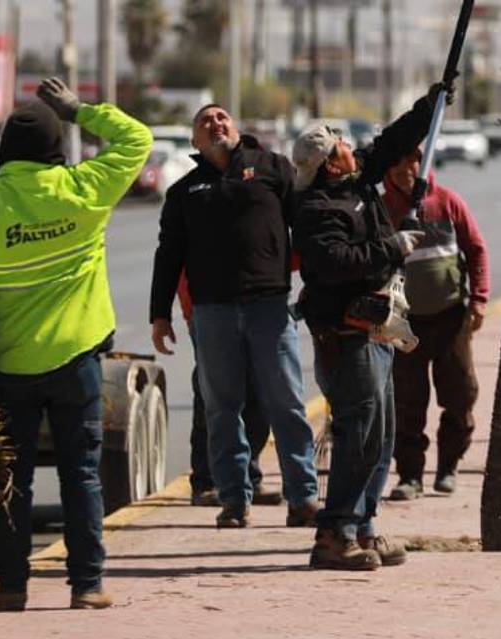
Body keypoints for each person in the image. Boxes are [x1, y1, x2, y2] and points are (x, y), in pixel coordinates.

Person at [0, 78, 153, 611]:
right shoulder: (84, 189)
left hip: (10, 367)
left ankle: (10, 587)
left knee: (8, 478)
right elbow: (138, 140)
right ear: (55, 148)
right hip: (76, 361)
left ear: (5, 151)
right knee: (80, 474)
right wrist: (79, 110)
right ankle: (86, 585)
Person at [291, 81, 452, 570]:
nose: (348, 145)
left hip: (376, 331)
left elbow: (390, 141)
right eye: (339, 143)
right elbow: (337, 262)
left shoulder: (356, 180)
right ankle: (333, 535)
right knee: (358, 436)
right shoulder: (316, 210)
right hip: (346, 339)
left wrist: (430, 105)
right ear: (329, 163)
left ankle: (363, 525)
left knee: (381, 437)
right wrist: (392, 247)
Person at [149, 105, 319, 529]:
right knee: (222, 410)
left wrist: (318, 281)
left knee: (286, 403)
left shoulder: (272, 168)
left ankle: (303, 497)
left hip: (270, 307)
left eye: (221, 117)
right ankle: (233, 500)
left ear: (236, 128)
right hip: (213, 313)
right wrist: (159, 315)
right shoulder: (184, 192)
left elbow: (306, 224)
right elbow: (168, 254)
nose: (215, 124)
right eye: (205, 121)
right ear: (194, 140)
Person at [381, 150, 489, 500]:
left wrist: (479, 300)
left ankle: (448, 467)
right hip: (404, 323)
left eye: (412, 160)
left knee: (461, 394)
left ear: (422, 162)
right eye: (396, 162)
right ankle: (410, 476)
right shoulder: (382, 210)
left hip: (451, 318)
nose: (404, 168)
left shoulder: (447, 202)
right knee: (407, 402)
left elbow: (475, 249)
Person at [176, 271, 282, 507]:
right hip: (208, 305)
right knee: (213, 396)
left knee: (257, 391)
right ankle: (206, 481)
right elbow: (172, 256)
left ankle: (248, 476)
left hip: (257, 300)